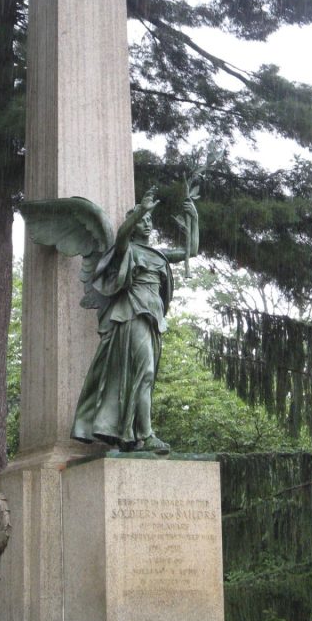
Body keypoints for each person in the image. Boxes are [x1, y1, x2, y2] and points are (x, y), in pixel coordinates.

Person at [71, 189, 198, 452]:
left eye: (149, 220)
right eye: (142, 221)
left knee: (144, 376)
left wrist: (193, 218)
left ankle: (132, 434)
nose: (147, 224)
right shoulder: (127, 249)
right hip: (132, 314)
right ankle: (146, 434)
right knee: (145, 373)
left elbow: (191, 251)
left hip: (153, 319)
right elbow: (121, 237)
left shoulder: (158, 255)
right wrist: (140, 211)